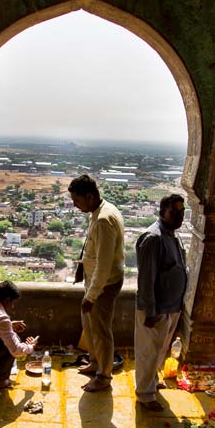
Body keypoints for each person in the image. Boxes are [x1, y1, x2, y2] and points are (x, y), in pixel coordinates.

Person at [69, 174, 125, 392]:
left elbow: (103, 264)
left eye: (78, 201)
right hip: (96, 282)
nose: (75, 206)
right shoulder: (101, 211)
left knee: (101, 331)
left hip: (103, 285)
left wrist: (91, 297)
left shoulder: (103, 220)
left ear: (90, 196)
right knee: (90, 327)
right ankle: (95, 363)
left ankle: (104, 376)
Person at [134, 194, 188, 411]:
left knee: (160, 349)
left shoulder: (172, 235)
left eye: (182, 212)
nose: (179, 216)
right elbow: (146, 279)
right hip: (155, 309)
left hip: (170, 305)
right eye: (175, 212)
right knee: (148, 352)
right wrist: (150, 311)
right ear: (162, 212)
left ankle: (152, 383)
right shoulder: (153, 238)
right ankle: (145, 395)